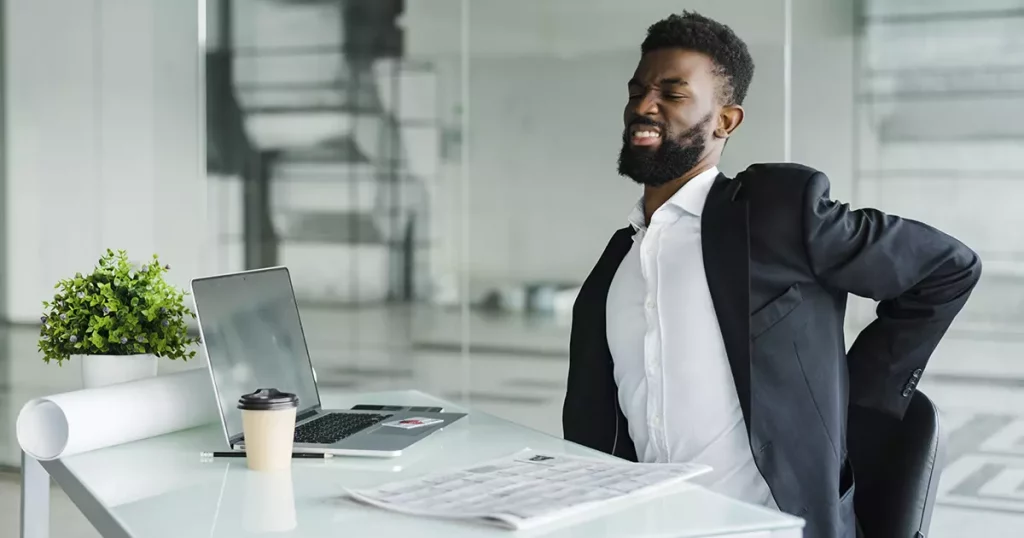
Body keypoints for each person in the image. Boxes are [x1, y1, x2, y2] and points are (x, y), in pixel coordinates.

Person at [561, 11, 981, 538]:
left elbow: (947, 268)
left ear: (725, 121)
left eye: (672, 93)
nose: (644, 106)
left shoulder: (776, 212)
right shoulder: (619, 258)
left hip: (774, 527)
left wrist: (856, 394)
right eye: (638, 89)